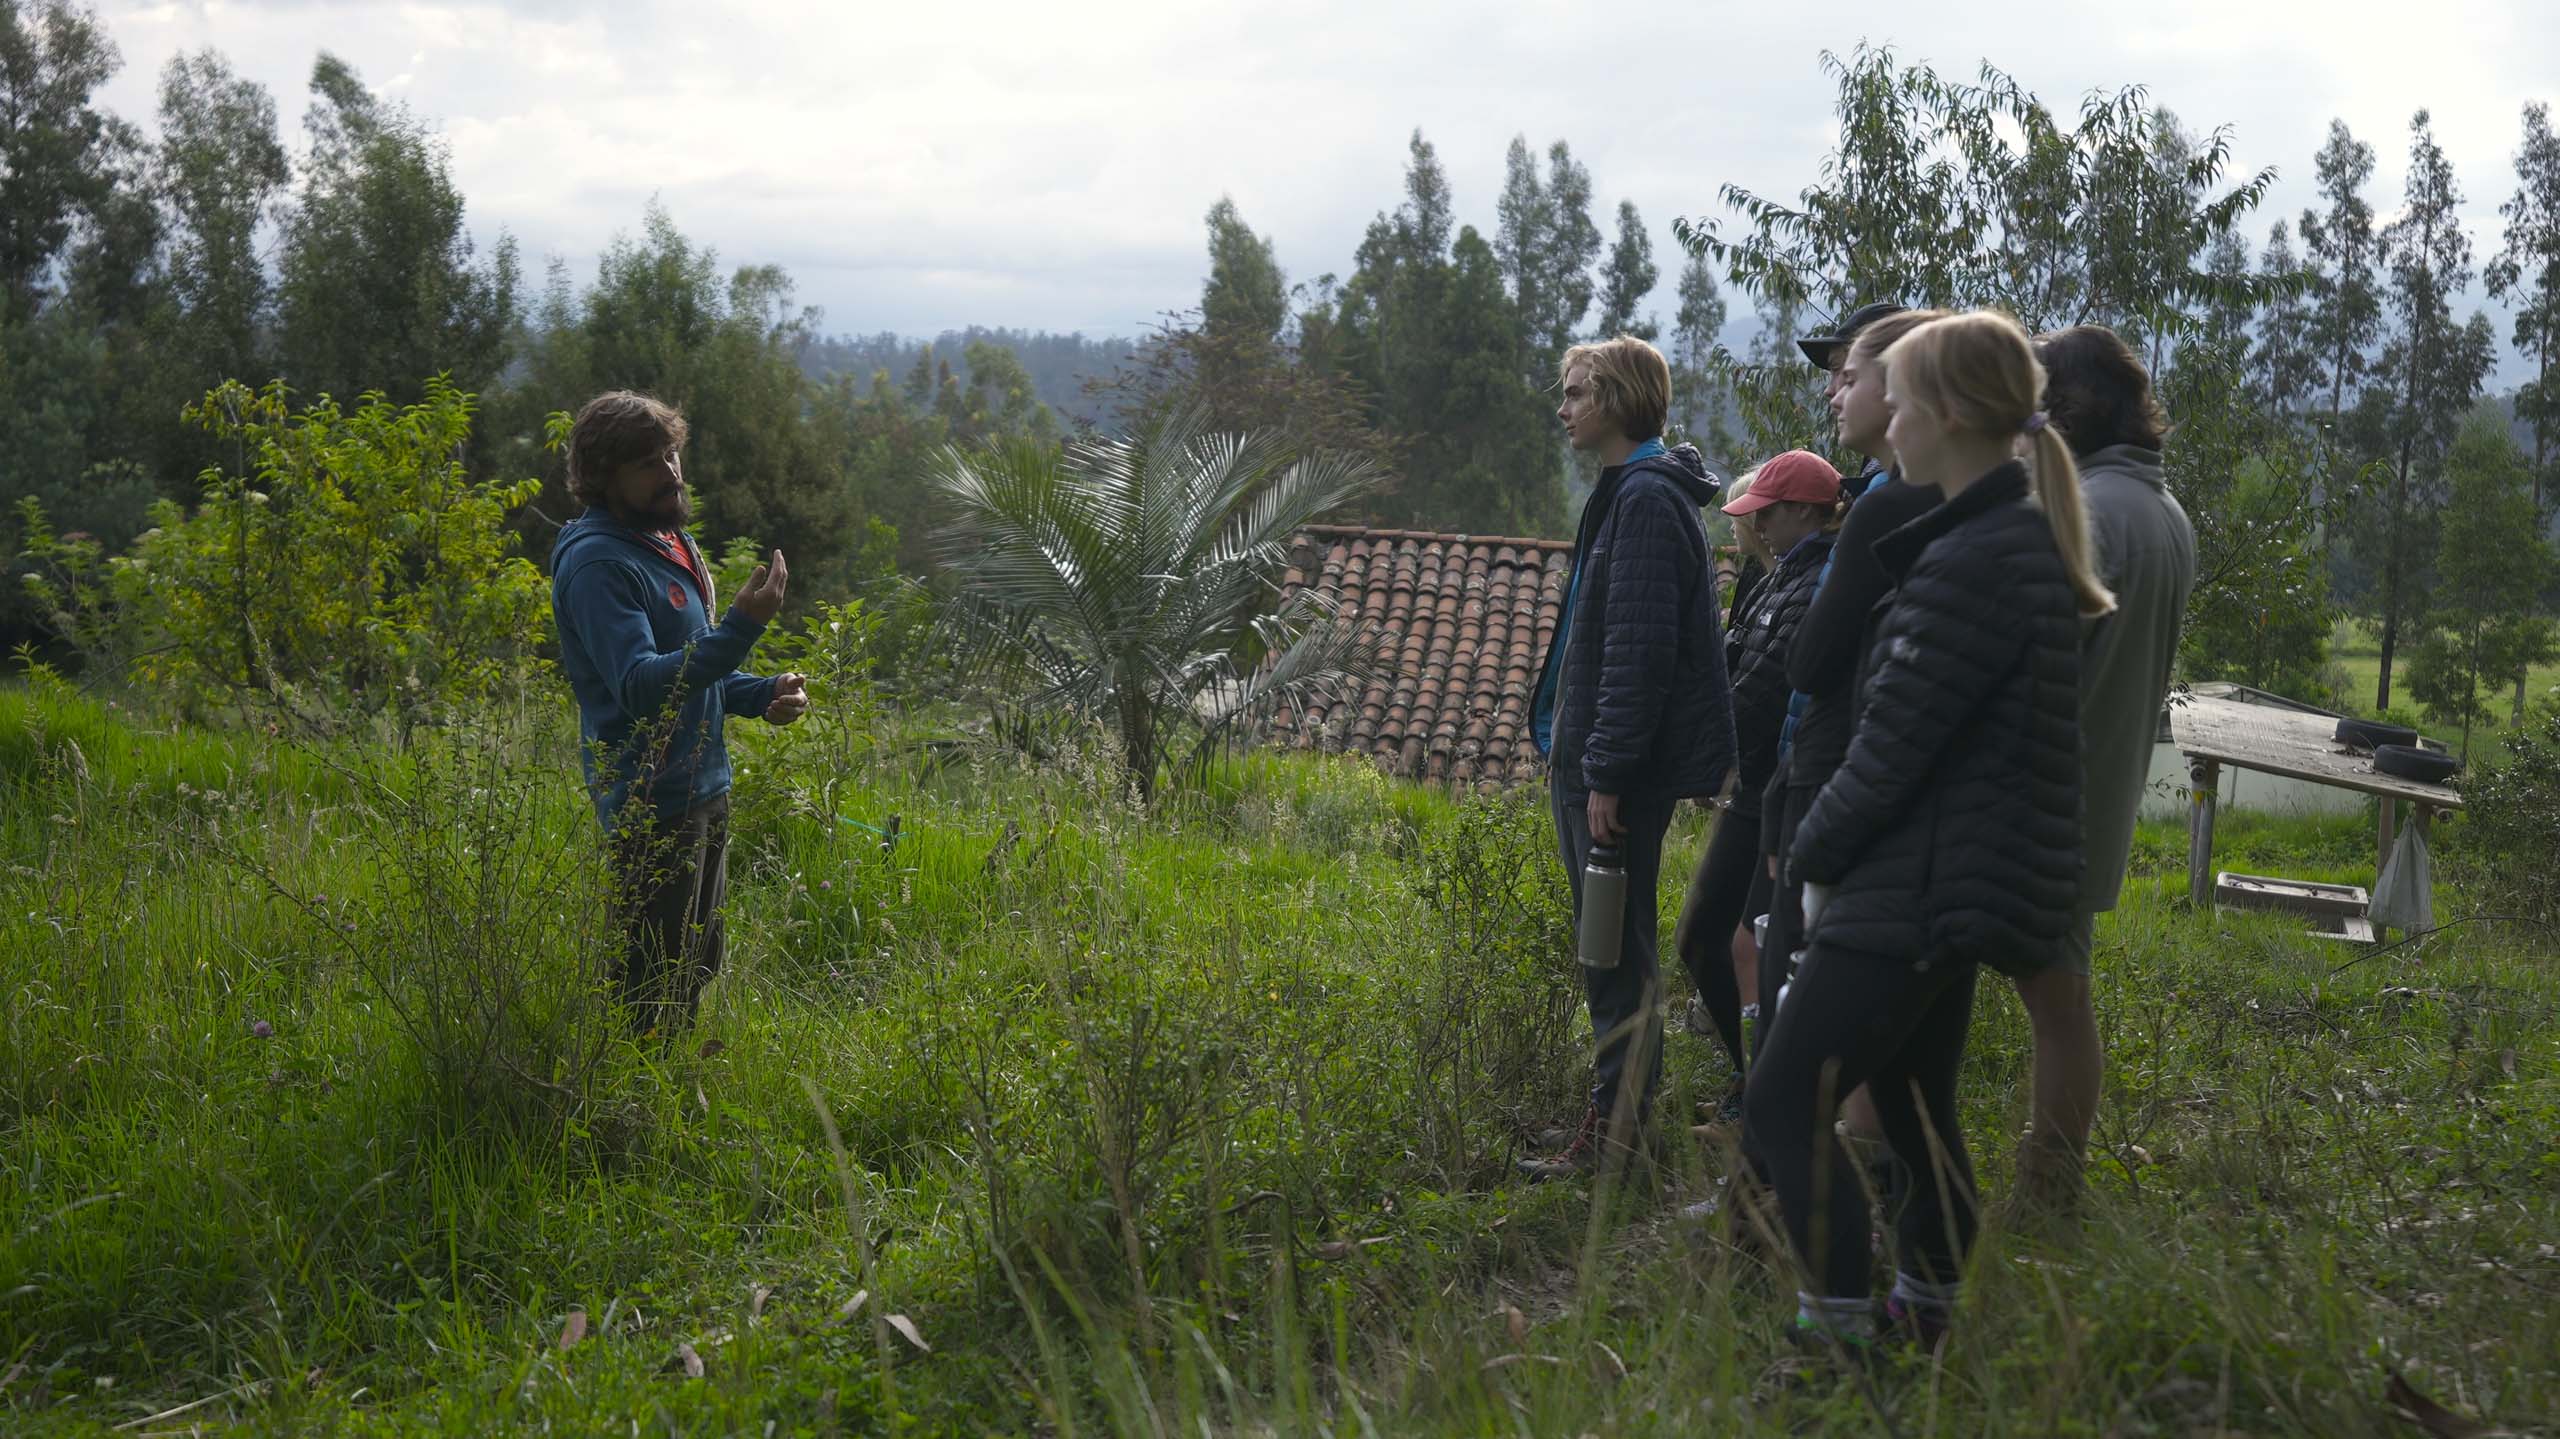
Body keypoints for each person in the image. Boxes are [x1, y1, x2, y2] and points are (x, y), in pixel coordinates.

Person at [1745, 310, 2113, 1357]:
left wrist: (1806, 858)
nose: (1885, 419)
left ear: (1946, 414)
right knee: (1909, 1100)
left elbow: (1891, 745)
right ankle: (1930, 1307)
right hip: (1944, 878)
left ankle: (1839, 1336)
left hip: (1913, 880)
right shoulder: (1999, 538)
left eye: (1897, 399)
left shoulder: (1972, 560)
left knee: (1783, 1094)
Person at [1520, 335, 1736, 1181]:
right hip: (1589, 764)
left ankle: (1618, 1144)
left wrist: (1606, 770)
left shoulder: (1645, 501)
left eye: (1575, 392)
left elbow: (1638, 655)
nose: (1564, 406)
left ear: (1614, 399)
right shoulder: (1629, 491)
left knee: (1613, 951)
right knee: (1612, 945)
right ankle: (1619, 1127)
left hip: (1609, 776)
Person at [549, 391, 810, 1036]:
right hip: (650, 800)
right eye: (647, 462)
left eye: (671, 454)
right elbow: (640, 686)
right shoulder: (598, 563)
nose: (670, 473)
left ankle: (668, 1107)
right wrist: (742, 628)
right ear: (604, 476)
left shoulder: (665, 541)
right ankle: (629, 1117)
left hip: (701, 787)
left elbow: (690, 672)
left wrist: (760, 692)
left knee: (695, 964)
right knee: (650, 982)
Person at [2009, 326, 2196, 1217]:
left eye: (2035, 402)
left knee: (2053, 1000)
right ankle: (2052, 1181)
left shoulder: (2088, 510)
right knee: (2061, 994)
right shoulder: (2162, 512)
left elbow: (2027, 659)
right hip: (2097, 792)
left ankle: (2044, 1190)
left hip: (2044, 794)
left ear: (2069, 407)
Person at [1672, 450, 1844, 1129]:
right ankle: (1755, 1081)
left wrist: (1706, 751)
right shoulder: (1781, 577)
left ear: (1804, 510)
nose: (1759, 529)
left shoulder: (1822, 578)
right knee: (1717, 937)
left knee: (1735, 940)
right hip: (1759, 784)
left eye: (1767, 514)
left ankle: (1767, 1093)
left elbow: (1765, 686)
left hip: (1781, 785)